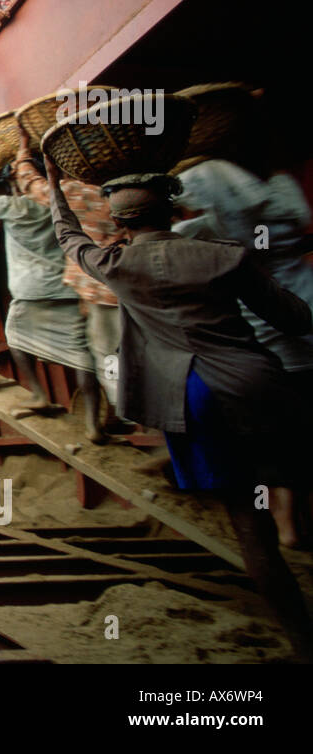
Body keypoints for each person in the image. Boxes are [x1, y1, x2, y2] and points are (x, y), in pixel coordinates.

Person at [46, 159, 313, 660]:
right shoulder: (224, 256)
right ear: (173, 212)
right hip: (256, 386)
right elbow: (295, 320)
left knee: (250, 530)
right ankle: (292, 515)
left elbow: (68, 235)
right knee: (287, 473)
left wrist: (50, 173)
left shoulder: (113, 264)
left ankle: (302, 642)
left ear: (120, 225)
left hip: (191, 399)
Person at [174, 153, 313, 544]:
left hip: (264, 337)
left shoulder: (218, 228)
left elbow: (175, 239)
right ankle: (296, 516)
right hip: (306, 313)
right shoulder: (283, 200)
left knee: (269, 435)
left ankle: (284, 524)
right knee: (302, 426)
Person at [0, 138, 103, 437]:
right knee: (82, 355)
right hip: (67, 288)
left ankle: (39, 394)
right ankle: (94, 423)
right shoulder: (59, 199)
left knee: (16, 340)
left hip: (29, 291)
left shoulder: (13, 207)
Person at [58, 176, 130, 430]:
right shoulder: (123, 188)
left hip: (102, 291)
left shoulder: (77, 191)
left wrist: (24, 157)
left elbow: (42, 190)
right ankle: (116, 412)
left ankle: (127, 410)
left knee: (108, 356)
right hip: (128, 283)